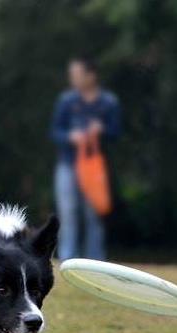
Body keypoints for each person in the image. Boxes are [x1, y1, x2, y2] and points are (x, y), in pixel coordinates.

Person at [50, 57, 121, 261]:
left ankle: (95, 262)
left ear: (91, 75)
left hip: (95, 169)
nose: (73, 79)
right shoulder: (66, 101)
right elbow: (55, 132)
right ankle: (68, 259)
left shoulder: (109, 103)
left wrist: (102, 131)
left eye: (77, 74)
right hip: (68, 165)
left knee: (94, 215)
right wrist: (70, 137)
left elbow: (116, 133)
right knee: (68, 214)